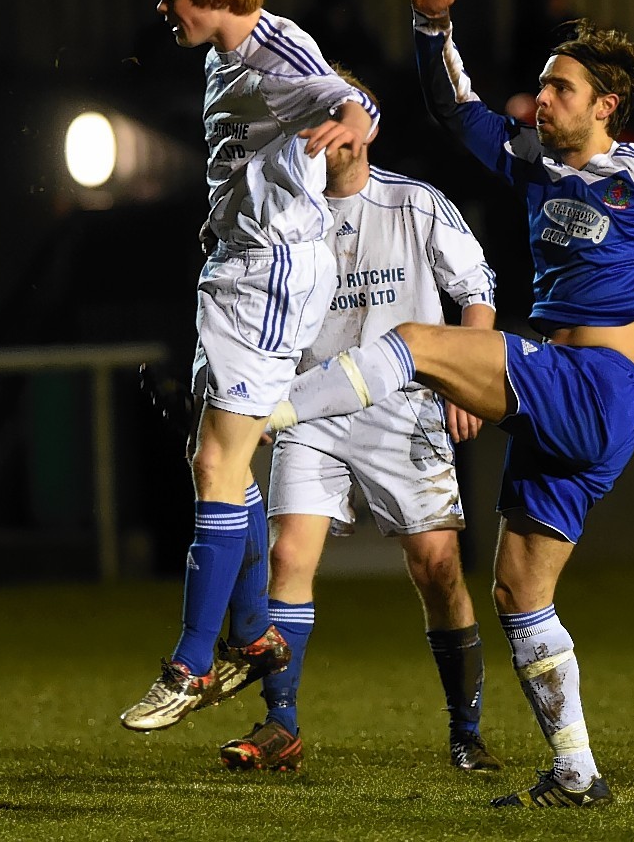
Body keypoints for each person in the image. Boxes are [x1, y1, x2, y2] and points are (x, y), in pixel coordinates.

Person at [265, 0, 634, 808]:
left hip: (595, 385)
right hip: (555, 391)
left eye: (560, 89)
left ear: (606, 106)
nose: (542, 100)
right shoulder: (534, 159)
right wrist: (431, 26)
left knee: (418, 340)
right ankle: (575, 772)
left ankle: (264, 413)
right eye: (540, 85)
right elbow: (456, 111)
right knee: (518, 590)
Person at [119, 0, 379, 732]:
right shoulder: (224, 53)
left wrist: (353, 121)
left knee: (215, 463)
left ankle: (193, 664)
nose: (164, 8)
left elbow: (350, 95)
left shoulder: (277, 49)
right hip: (232, 272)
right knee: (225, 467)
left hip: (267, 278)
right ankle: (257, 634)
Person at [215, 70, 503, 774]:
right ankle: (280, 723)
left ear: (366, 124)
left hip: (403, 411)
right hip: (310, 411)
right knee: (288, 558)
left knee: (436, 567)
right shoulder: (284, 216)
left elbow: (477, 290)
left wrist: (466, 378)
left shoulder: (416, 204)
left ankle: (466, 732)